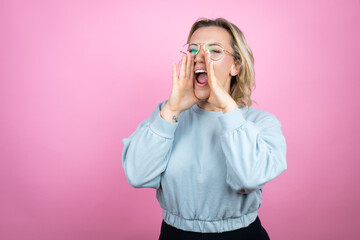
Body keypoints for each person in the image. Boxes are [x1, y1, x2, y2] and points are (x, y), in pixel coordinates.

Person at [121, 17, 287, 240]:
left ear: (235, 66)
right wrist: (171, 109)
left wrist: (227, 106)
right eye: (192, 49)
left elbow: (248, 177)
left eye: (214, 50)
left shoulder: (260, 123)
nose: (200, 57)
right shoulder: (166, 115)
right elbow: (137, 174)